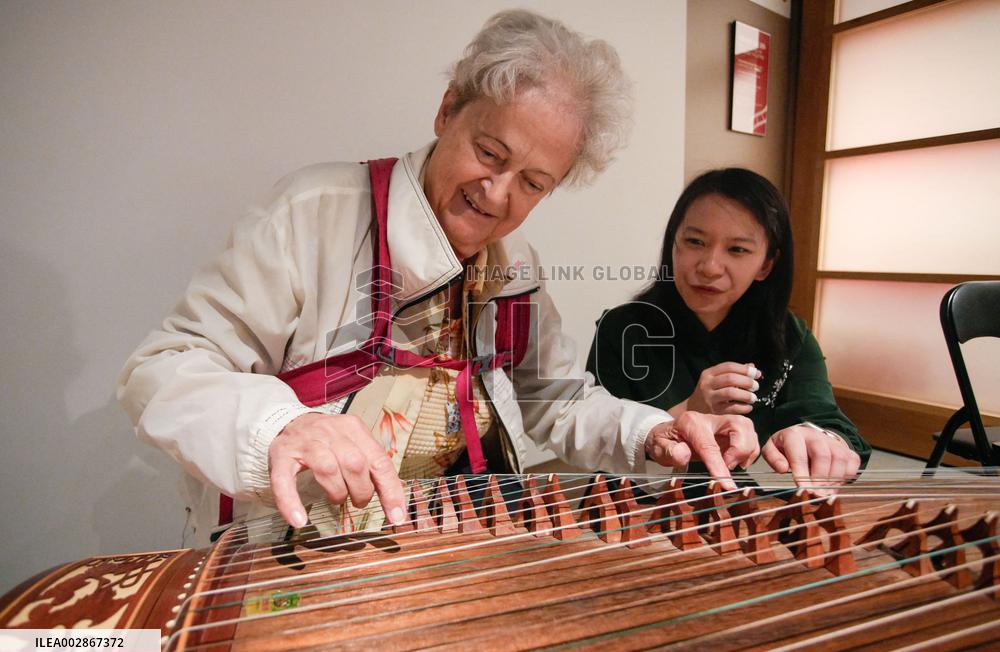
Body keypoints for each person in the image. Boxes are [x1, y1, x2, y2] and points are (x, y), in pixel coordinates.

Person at [118, 10, 758, 544]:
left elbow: (554, 399)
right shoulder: (314, 213)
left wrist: (653, 430)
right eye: (490, 153)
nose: (498, 194)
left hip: (443, 543)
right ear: (448, 109)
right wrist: (282, 426)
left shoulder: (515, 269)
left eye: (534, 183)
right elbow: (165, 367)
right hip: (292, 545)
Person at [587, 168, 869, 488]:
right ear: (673, 246)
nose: (709, 267)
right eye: (695, 241)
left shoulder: (789, 336)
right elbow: (593, 439)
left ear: (766, 265)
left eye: (737, 249)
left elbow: (827, 420)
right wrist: (686, 412)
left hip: (733, 500)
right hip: (630, 506)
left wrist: (820, 439)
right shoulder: (622, 328)